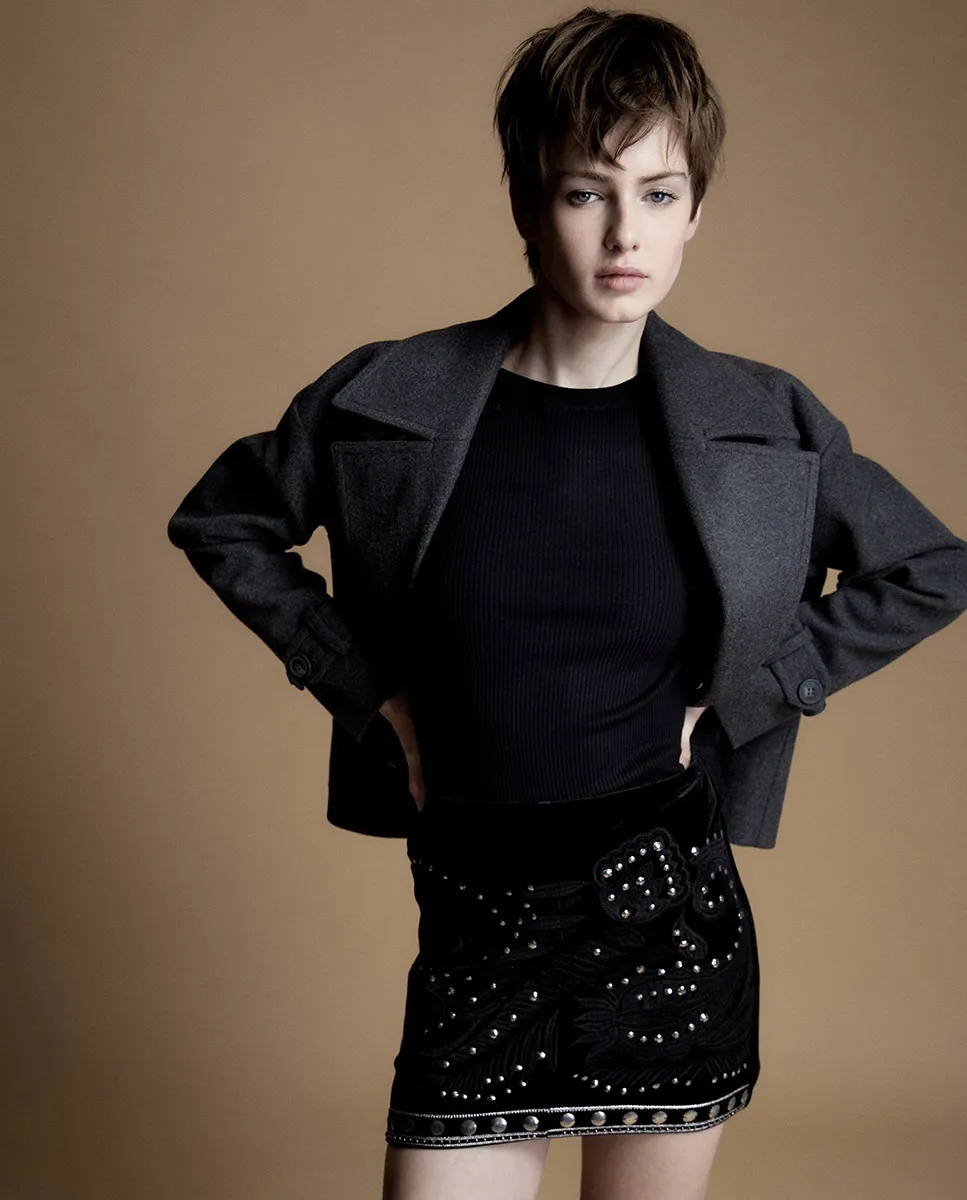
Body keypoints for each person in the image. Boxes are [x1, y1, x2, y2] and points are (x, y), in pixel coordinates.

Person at [167, 8, 967, 1199]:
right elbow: (222, 521)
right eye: (587, 192)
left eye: (658, 194)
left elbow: (931, 566)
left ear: (695, 210)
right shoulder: (387, 400)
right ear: (527, 202)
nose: (625, 234)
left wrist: (753, 693)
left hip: (666, 925)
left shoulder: (763, 424)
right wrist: (363, 687)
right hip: (471, 932)